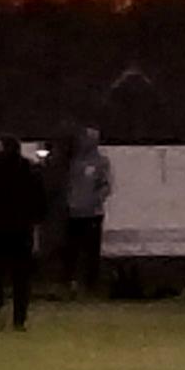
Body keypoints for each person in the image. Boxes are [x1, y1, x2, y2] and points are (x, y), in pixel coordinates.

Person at [0, 137, 47, 332]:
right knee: (21, 278)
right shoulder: (30, 174)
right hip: (22, 232)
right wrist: (33, 222)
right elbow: (40, 203)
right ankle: (19, 319)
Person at [62, 127, 112, 298]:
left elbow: (106, 185)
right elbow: (68, 185)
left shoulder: (101, 162)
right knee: (72, 250)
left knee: (91, 251)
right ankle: (71, 283)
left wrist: (96, 199)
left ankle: (91, 285)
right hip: (74, 212)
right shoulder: (73, 162)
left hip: (92, 213)